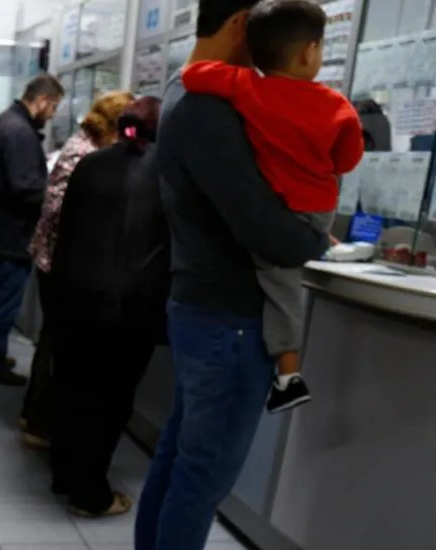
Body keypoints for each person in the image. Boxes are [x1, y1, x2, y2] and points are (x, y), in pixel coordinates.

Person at [134, 2, 329, 548]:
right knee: (202, 477)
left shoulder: (183, 91)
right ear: (241, 23)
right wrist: (314, 236)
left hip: (204, 308)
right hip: (231, 319)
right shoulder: (205, 107)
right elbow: (264, 228)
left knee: (180, 462)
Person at [181, 0, 363, 413]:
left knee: (278, 287)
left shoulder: (247, 88)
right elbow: (347, 160)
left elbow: (193, 75)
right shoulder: (337, 106)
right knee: (283, 288)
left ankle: (288, 373)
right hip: (315, 210)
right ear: (308, 53)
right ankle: (288, 373)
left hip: (275, 208)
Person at [50, 96, 169, 518]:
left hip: (75, 296)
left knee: (73, 390)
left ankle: (64, 475)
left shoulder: (92, 164)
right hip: (128, 307)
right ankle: (91, 493)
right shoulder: (165, 173)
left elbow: (66, 231)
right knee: (111, 401)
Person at [21, 90, 134, 449]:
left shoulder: (82, 146)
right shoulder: (84, 154)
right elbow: (58, 210)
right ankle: (41, 423)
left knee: (54, 342)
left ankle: (35, 417)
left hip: (55, 259)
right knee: (58, 345)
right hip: (59, 262)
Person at [0, 74, 65, 386]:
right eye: (54, 107)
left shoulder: (0, 124)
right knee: (1, 302)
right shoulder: (20, 132)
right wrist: (52, 192)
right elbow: (26, 187)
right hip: (8, 235)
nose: (53, 115)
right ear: (43, 100)